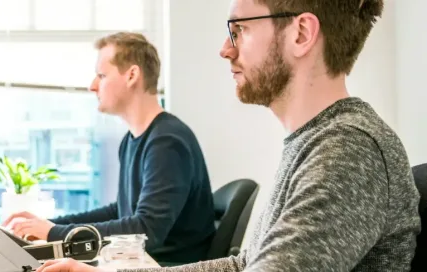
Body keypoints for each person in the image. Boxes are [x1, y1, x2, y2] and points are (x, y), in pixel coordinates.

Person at [35, 0, 422, 271]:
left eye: (239, 30)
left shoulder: (348, 151)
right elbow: (244, 264)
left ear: (301, 33)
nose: (225, 49)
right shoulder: (316, 141)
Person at [2, 32, 217, 266]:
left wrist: (55, 233)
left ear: (132, 75)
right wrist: (51, 225)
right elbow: (121, 211)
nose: (92, 86)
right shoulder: (133, 140)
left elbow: (146, 231)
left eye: (102, 75)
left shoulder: (167, 142)